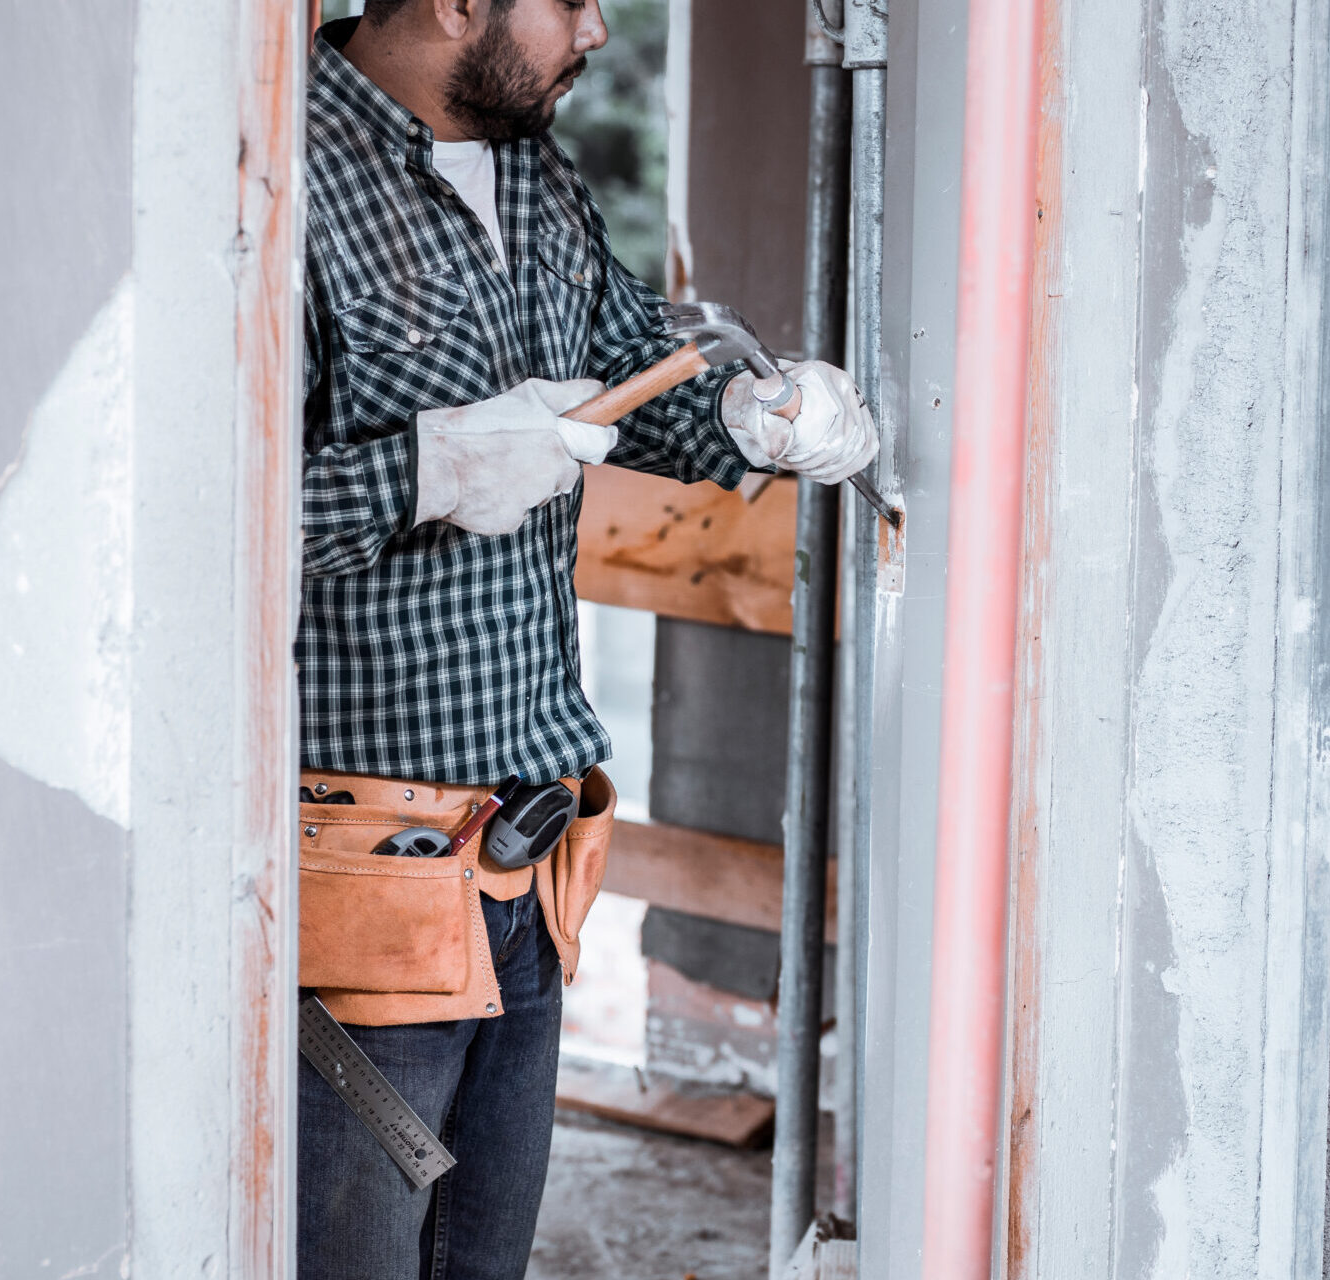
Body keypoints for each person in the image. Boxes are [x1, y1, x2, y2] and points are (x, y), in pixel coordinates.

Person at [293, 0, 876, 1273]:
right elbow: (201, 529)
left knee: (480, 1257)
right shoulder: (272, 173)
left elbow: (625, 378)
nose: (601, 30)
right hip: (358, 870)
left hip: (529, 855)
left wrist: (752, 417)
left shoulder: (530, 162)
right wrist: (428, 469)